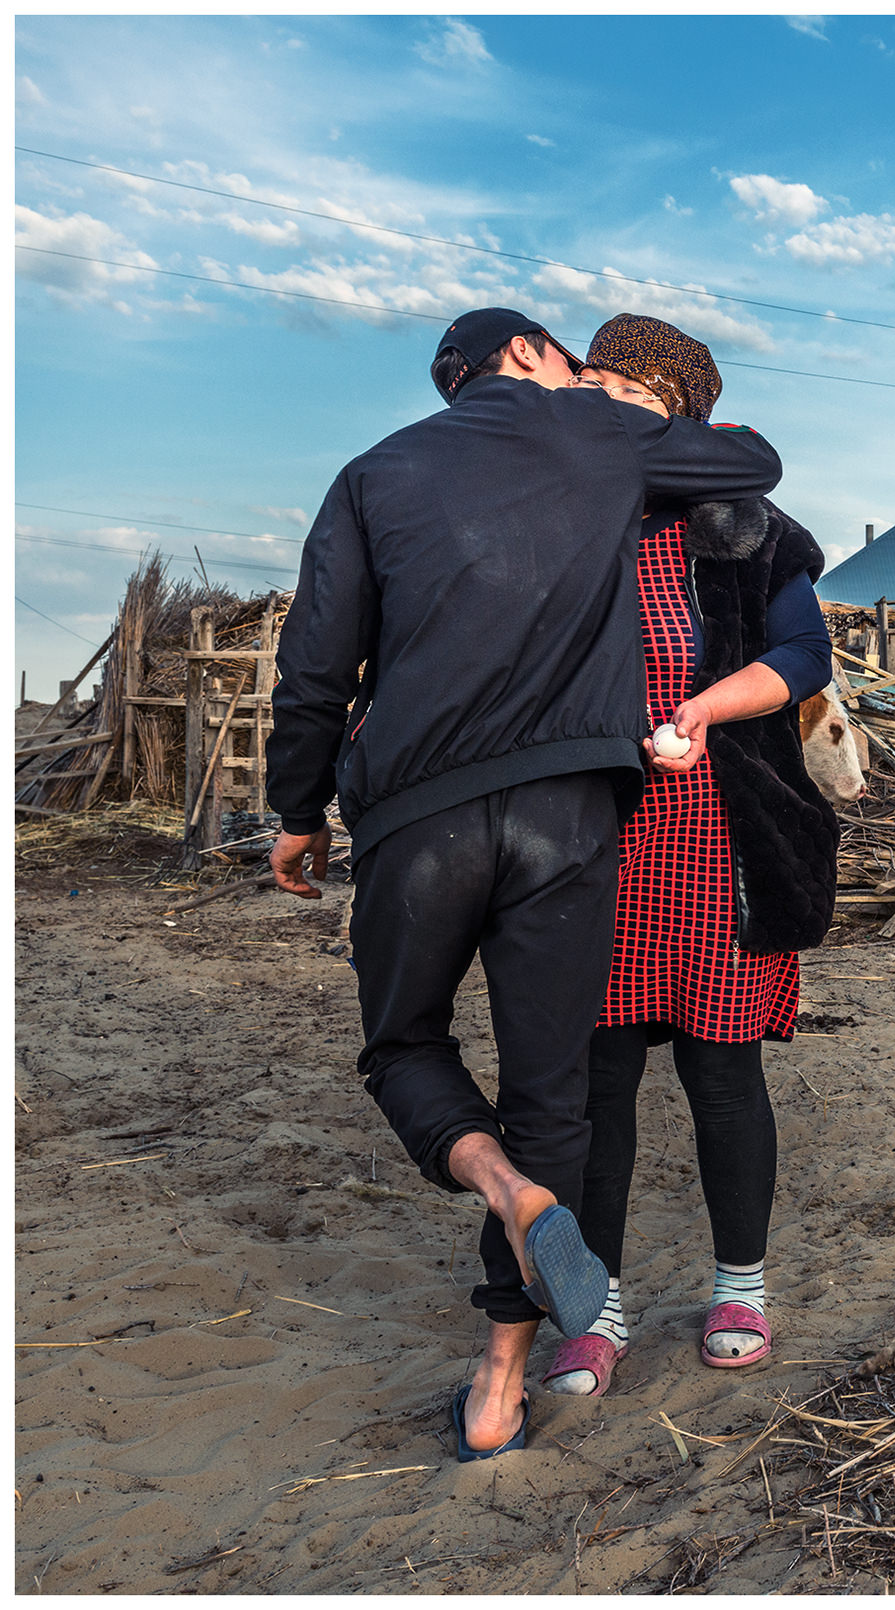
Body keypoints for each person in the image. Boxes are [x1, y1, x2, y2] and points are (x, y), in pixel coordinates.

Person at [264, 307, 785, 1459]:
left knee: (404, 1045)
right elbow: (749, 456)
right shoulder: (595, 440)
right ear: (536, 360)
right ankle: (500, 1378)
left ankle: (502, 1185)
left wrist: (296, 813)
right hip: (568, 813)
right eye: (576, 364)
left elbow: (314, 664)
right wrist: (603, 413)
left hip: (420, 813)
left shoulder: (373, 470)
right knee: (555, 1088)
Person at [537, 313, 841, 1399]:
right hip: (594, 840)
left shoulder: (745, 527)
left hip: (720, 836)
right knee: (597, 1081)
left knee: (722, 1070)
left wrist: (705, 708)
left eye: (636, 384)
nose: (608, 394)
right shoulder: (566, 512)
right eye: (598, 375)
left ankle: (741, 1287)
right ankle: (598, 1305)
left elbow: (801, 654)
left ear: (682, 407)